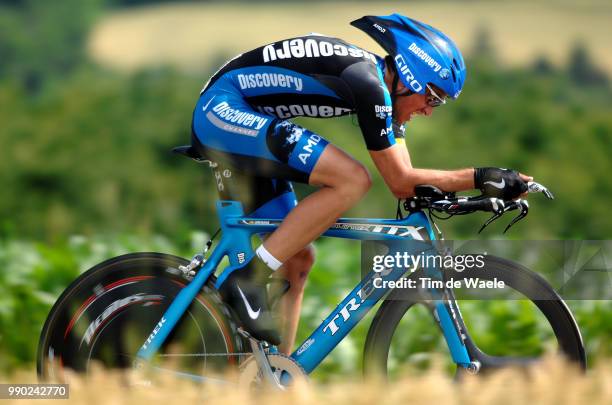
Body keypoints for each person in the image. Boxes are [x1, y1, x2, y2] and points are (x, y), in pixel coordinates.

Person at [190, 14, 532, 353]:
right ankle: (247, 282)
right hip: (222, 110)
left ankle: (273, 381)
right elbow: (400, 182)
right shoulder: (369, 85)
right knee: (351, 180)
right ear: (409, 78)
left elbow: (408, 177)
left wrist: (477, 190)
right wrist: (482, 176)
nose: (430, 110)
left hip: (247, 115)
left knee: (296, 260)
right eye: (433, 97)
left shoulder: (384, 93)